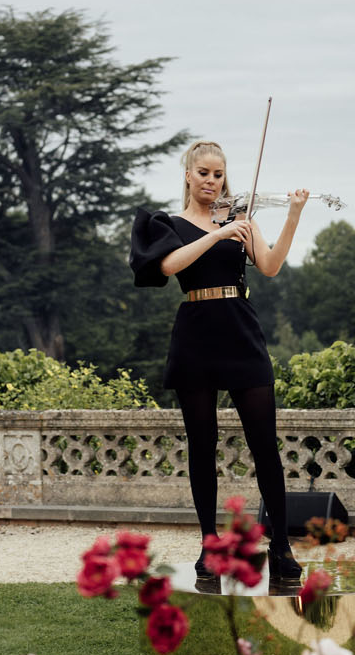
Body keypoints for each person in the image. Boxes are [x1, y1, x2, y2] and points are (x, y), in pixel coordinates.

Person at [130, 139, 309, 582]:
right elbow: (170, 265)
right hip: (196, 334)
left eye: (219, 175)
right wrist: (217, 234)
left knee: (265, 446)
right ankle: (209, 545)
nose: (212, 181)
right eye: (204, 173)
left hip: (241, 331)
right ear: (188, 175)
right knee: (202, 446)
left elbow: (268, 266)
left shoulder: (240, 219)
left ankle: (281, 547)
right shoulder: (169, 223)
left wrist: (292, 216)